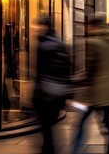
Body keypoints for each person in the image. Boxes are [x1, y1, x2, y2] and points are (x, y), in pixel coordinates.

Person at [72, 16, 109, 154]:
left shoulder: (94, 43)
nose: (86, 29)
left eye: (88, 26)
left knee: (81, 123)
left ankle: (75, 150)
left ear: (95, 26)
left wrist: (81, 87)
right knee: (108, 125)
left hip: (95, 92)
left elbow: (91, 70)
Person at [32, 16, 72, 154]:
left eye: (39, 25)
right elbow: (67, 70)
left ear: (45, 27)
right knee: (49, 129)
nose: (36, 28)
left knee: (46, 130)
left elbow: (40, 73)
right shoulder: (59, 43)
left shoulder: (44, 45)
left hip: (46, 94)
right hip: (58, 93)